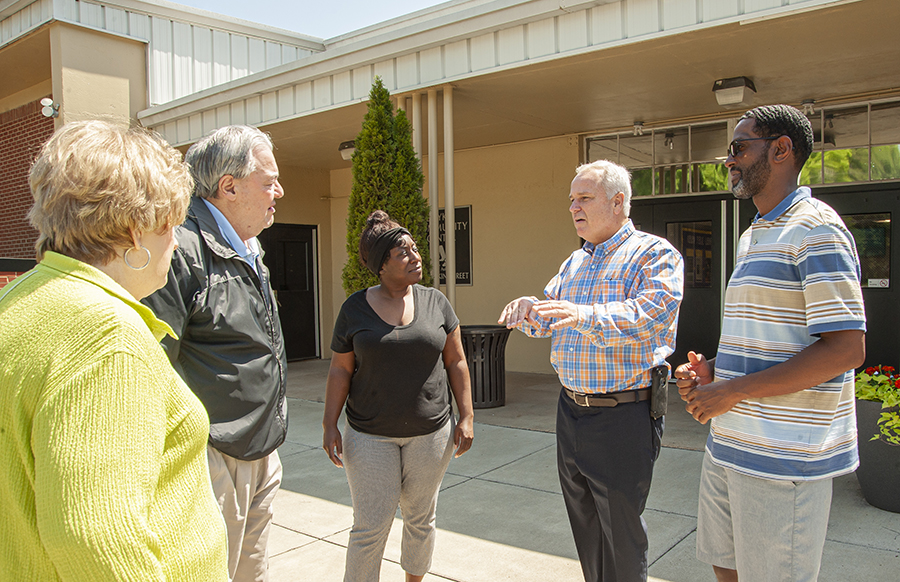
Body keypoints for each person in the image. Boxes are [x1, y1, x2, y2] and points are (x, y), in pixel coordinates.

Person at [0, 120, 228, 580]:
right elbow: (93, 535)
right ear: (134, 232)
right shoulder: (108, 337)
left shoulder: (19, 300)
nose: (176, 242)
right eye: (172, 225)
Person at [674, 104, 866, 582]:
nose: (729, 160)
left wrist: (734, 391)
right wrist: (715, 371)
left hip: (785, 459)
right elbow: (768, 338)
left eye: (739, 147)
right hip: (729, 446)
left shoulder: (816, 229)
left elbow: (846, 350)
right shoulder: (754, 234)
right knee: (727, 568)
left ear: (781, 150)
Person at [498, 160, 684, 582]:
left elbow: (648, 317)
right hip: (571, 412)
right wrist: (528, 309)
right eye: (571, 200)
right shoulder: (575, 262)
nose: (573, 207)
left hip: (624, 416)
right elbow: (550, 317)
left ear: (618, 202)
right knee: (586, 529)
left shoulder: (653, 253)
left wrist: (581, 314)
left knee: (621, 536)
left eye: (584, 198)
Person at [142, 125, 288, 582]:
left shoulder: (249, 246)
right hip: (213, 456)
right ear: (229, 186)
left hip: (260, 449)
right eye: (268, 182)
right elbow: (153, 366)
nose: (278, 192)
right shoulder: (181, 250)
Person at [323, 210, 475, 582]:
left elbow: (456, 361)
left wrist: (467, 416)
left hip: (431, 433)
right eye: (403, 252)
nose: (415, 256)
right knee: (370, 526)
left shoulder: (436, 302)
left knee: (420, 519)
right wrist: (329, 423)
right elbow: (341, 369)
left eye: (414, 248)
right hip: (370, 435)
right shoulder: (354, 310)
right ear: (381, 265)